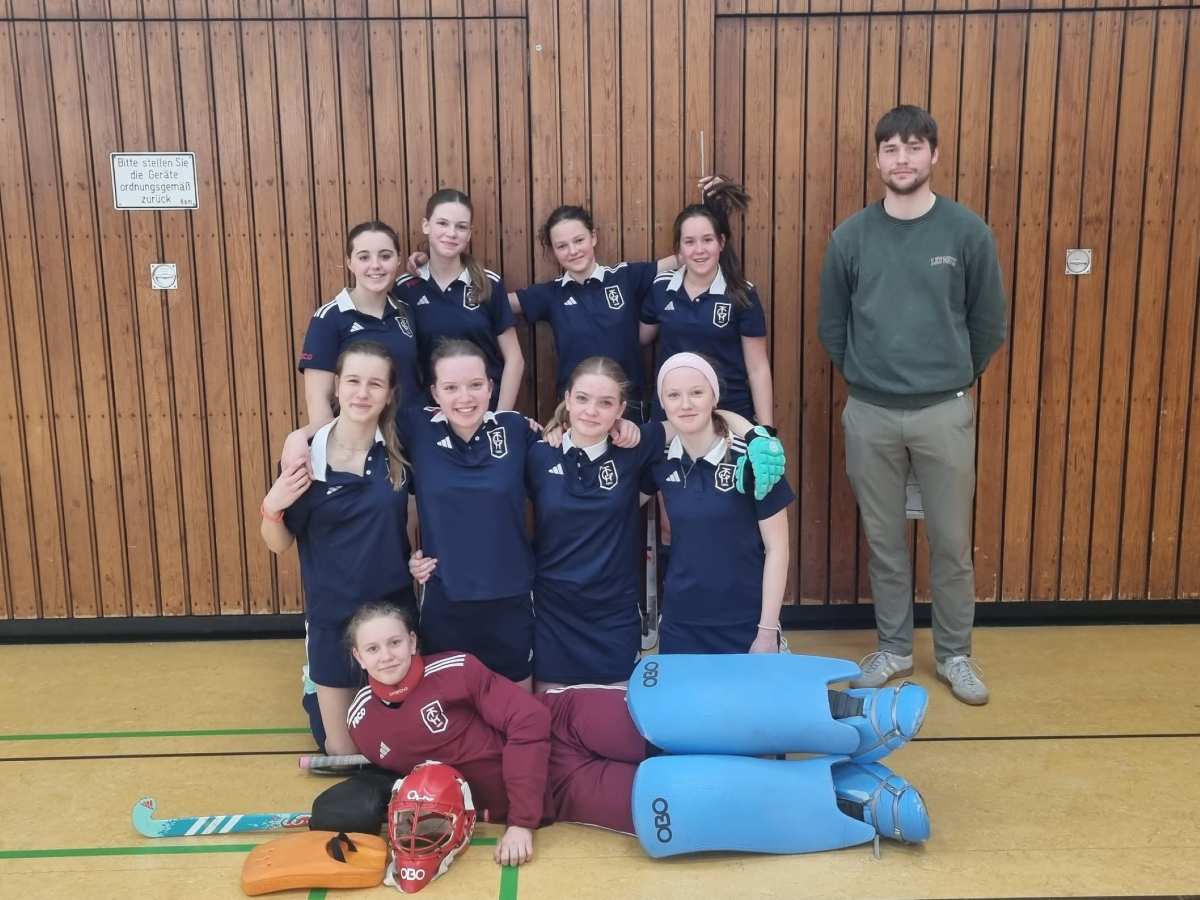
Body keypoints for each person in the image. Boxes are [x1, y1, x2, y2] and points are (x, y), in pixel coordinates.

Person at [342, 600, 930, 883]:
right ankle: (854, 800)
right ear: (357, 658)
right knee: (673, 798)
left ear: (412, 639)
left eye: (395, 642)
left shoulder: (455, 669)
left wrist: (519, 820)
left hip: (562, 722)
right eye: (374, 649)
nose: (388, 656)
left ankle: (853, 716)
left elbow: (525, 722)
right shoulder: (367, 729)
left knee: (676, 712)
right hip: (560, 790)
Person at [818, 104, 1007, 705]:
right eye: (891, 150)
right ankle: (895, 648)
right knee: (885, 540)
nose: (902, 160)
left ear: (933, 155)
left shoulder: (966, 232)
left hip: (943, 411)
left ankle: (956, 655)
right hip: (869, 413)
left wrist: (952, 377)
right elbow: (832, 324)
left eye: (914, 148)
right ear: (877, 160)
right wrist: (865, 378)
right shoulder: (851, 236)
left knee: (950, 541)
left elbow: (988, 323)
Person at [524, 356, 766, 690]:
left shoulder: (635, 448)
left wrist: (755, 436)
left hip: (614, 613)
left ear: (621, 409)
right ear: (566, 400)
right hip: (554, 612)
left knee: (620, 732)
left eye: (605, 402)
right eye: (581, 399)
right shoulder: (537, 455)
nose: (591, 411)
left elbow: (697, 416)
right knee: (554, 723)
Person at [260, 341, 417, 755]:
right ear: (337, 388)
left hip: (392, 617)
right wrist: (272, 507)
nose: (362, 393)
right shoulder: (305, 456)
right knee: (344, 755)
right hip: (333, 618)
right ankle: (315, 688)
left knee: (396, 749)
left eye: (375, 384)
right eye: (352, 381)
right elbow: (278, 545)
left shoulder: (403, 446)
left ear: (389, 393)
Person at [399, 339, 540, 689]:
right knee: (450, 712)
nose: (465, 398)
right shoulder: (415, 428)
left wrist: (623, 430)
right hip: (446, 600)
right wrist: (299, 437)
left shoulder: (516, 429)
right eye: (451, 388)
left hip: (509, 596)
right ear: (433, 392)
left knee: (518, 714)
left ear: (491, 386)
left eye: (476, 385)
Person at [640, 353, 793, 654]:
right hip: (680, 622)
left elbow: (778, 549)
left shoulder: (754, 459)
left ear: (714, 396)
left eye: (696, 392)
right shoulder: (659, 460)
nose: (685, 404)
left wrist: (766, 631)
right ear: (663, 402)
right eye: (674, 395)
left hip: (744, 622)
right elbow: (612, 505)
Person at [509, 205, 678, 421]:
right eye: (562, 246)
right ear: (553, 251)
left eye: (579, 240)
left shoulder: (624, 277)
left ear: (593, 237)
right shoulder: (550, 294)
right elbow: (501, 303)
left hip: (628, 407)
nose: (573, 250)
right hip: (578, 412)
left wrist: (714, 207)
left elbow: (683, 258)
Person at [283, 223, 422, 472]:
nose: (375, 265)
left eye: (385, 256)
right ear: (349, 262)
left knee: (413, 510)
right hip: (364, 449)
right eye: (364, 256)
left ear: (398, 260)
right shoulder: (330, 318)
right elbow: (319, 400)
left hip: (412, 441)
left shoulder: (406, 311)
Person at [640, 179, 774, 424]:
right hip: (672, 415)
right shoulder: (661, 287)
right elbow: (638, 339)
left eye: (707, 240)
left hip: (728, 414)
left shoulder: (742, 294)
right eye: (689, 242)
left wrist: (765, 431)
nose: (699, 249)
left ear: (721, 243)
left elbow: (757, 368)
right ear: (678, 249)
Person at [392, 189, 524, 410]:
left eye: (461, 226)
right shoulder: (404, 288)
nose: (451, 233)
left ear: (469, 233)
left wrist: (501, 417)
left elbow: (515, 359)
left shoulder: (488, 283)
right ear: (426, 226)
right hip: (427, 417)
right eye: (442, 223)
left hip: (482, 410)